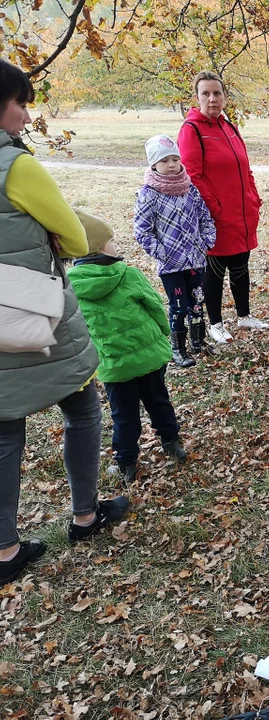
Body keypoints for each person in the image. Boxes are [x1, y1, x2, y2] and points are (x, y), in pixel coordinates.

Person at [0, 59, 129, 584]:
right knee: (81, 406)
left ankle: (5, 550)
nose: (27, 115)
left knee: (5, 435)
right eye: (21, 102)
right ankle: (85, 513)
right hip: (33, 313)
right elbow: (77, 239)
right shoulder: (17, 167)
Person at [69, 219, 188, 483]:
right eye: (110, 241)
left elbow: (76, 330)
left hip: (115, 366)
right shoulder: (129, 274)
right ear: (99, 249)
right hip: (149, 357)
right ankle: (171, 442)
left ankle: (126, 462)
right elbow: (156, 306)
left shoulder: (70, 288)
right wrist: (163, 334)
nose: (116, 244)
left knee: (124, 415)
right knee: (159, 401)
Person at [178, 70, 269, 343]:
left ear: (225, 97)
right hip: (216, 217)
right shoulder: (191, 129)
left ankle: (244, 315)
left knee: (241, 264)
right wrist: (213, 208)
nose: (212, 99)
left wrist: (254, 197)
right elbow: (192, 175)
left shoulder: (228, 127)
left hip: (242, 213)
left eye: (217, 93)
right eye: (205, 93)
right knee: (215, 271)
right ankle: (215, 323)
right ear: (197, 98)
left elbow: (245, 166)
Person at [134, 134, 217, 366]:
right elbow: (142, 231)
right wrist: (162, 251)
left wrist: (207, 240)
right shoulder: (149, 194)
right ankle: (178, 349)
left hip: (195, 260)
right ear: (153, 165)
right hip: (171, 265)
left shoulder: (190, 190)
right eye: (164, 161)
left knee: (197, 302)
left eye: (174, 159)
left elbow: (204, 217)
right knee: (179, 307)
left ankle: (198, 341)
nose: (171, 165)